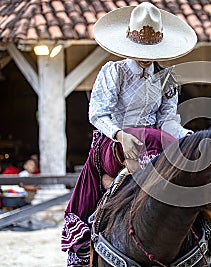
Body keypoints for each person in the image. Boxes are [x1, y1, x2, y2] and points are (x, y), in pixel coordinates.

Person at [61, 3, 197, 266]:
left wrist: (186, 137)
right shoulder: (115, 72)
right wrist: (121, 135)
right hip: (112, 143)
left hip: (152, 142)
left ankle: (203, 231)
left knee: (184, 155)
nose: (145, 56)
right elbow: (98, 115)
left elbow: (167, 121)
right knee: (152, 140)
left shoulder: (167, 79)